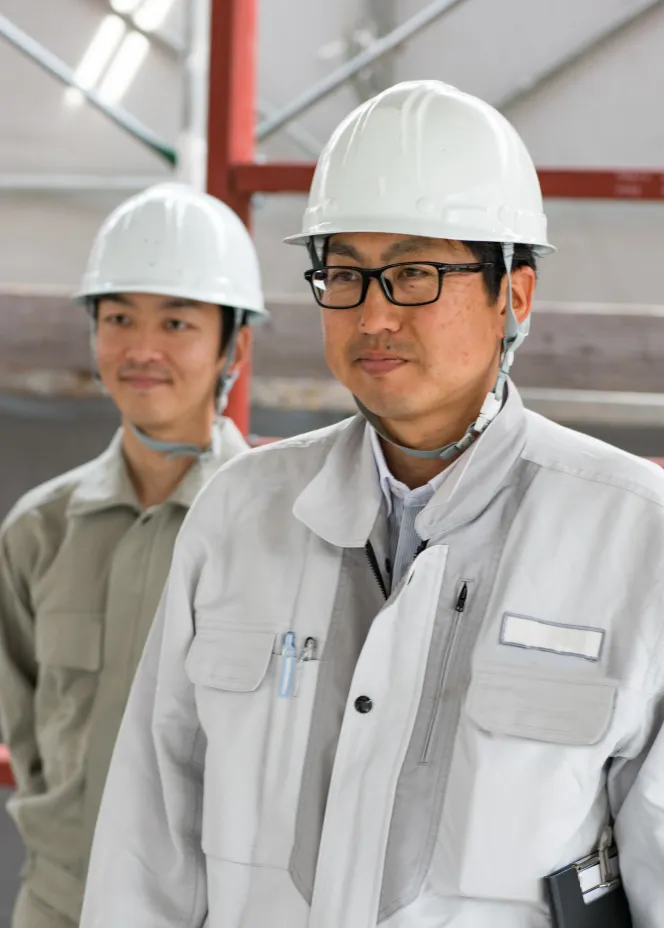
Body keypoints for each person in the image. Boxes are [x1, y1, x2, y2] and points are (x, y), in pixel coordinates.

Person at [82, 83, 664, 928]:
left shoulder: (633, 531)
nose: (375, 312)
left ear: (516, 294)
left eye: (416, 271)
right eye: (347, 273)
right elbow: (149, 840)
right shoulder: (241, 513)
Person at [0, 182, 267, 928]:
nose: (141, 350)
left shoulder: (280, 536)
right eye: (118, 318)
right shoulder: (38, 532)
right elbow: (28, 732)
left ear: (233, 346)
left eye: (177, 322)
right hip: (59, 903)